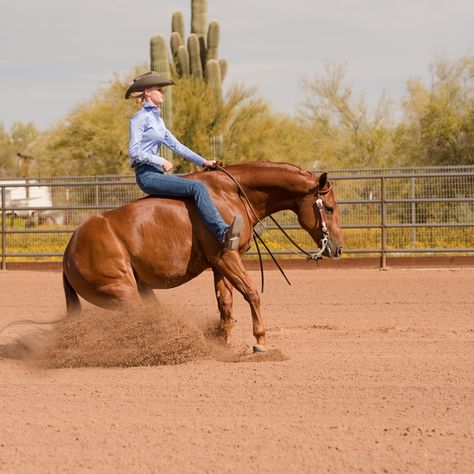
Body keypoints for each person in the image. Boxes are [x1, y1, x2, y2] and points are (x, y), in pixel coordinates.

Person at [125, 71, 243, 250]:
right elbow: (133, 151)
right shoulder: (140, 118)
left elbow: (178, 146)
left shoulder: (158, 120)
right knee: (197, 187)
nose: (163, 93)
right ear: (148, 92)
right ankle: (221, 233)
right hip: (147, 175)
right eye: (159, 89)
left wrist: (203, 162)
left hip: (156, 173)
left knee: (198, 185)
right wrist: (159, 160)